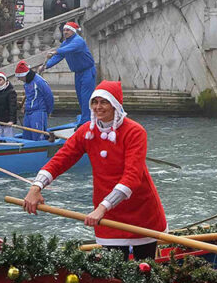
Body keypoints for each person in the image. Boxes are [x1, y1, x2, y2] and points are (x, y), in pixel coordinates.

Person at [23, 81, 167, 260]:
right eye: (95, 102)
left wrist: (102, 208)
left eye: (104, 102)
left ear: (115, 104)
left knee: (145, 270)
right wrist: (35, 187)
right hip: (108, 217)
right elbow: (61, 159)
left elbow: (132, 177)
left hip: (140, 213)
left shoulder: (135, 132)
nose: (98, 107)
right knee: (113, 272)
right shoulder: (86, 132)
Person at [45, 20, 97, 126]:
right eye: (64, 30)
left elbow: (68, 49)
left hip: (87, 71)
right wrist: (46, 66)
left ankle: (86, 122)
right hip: (78, 73)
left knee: (86, 97)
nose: (65, 32)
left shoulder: (78, 41)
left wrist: (56, 51)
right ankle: (85, 118)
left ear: (73, 31)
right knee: (80, 98)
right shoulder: (65, 43)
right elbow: (59, 57)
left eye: (68, 30)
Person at [16, 60, 54, 141]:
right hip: (28, 112)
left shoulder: (39, 81)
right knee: (26, 135)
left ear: (24, 75)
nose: (19, 79)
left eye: (19, 77)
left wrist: (49, 111)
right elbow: (30, 97)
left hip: (38, 112)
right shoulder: (26, 83)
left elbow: (49, 96)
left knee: (38, 136)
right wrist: (24, 107)